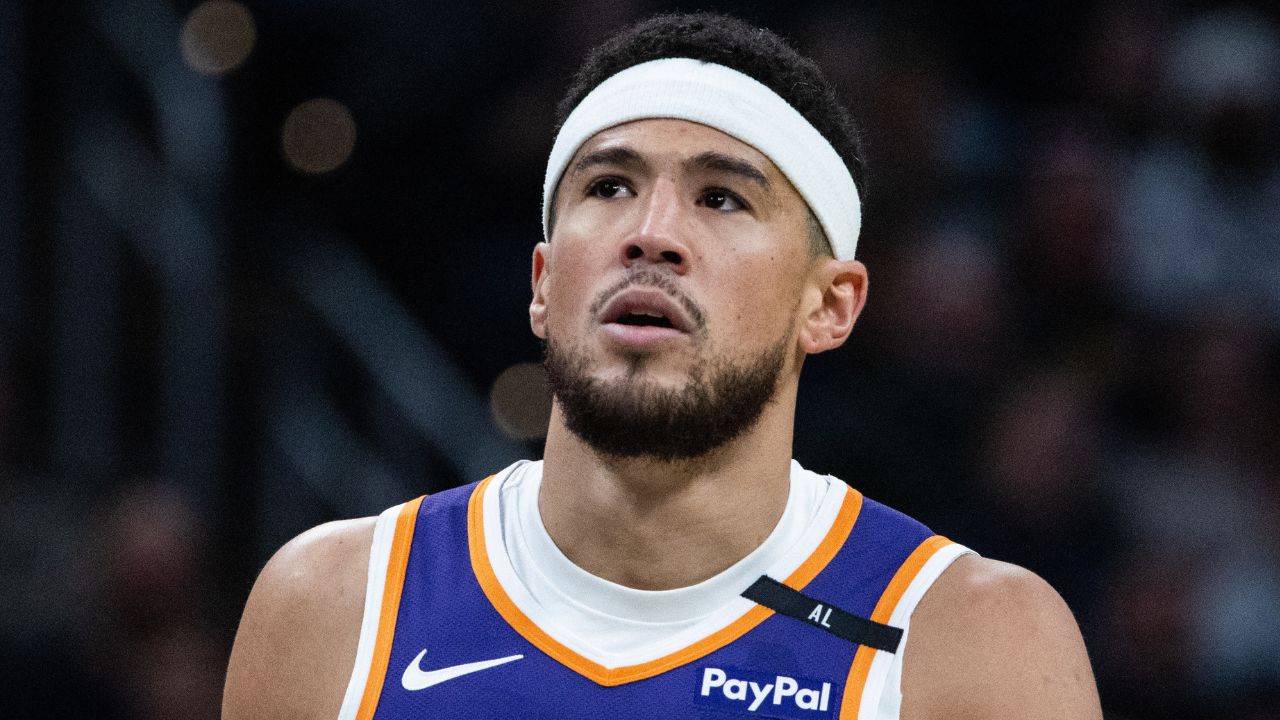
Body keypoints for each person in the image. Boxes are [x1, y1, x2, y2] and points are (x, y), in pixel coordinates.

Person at [223, 13, 1102, 720]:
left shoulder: (970, 641)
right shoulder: (332, 605)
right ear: (542, 281)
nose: (652, 234)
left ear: (828, 306)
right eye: (609, 187)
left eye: (722, 198)